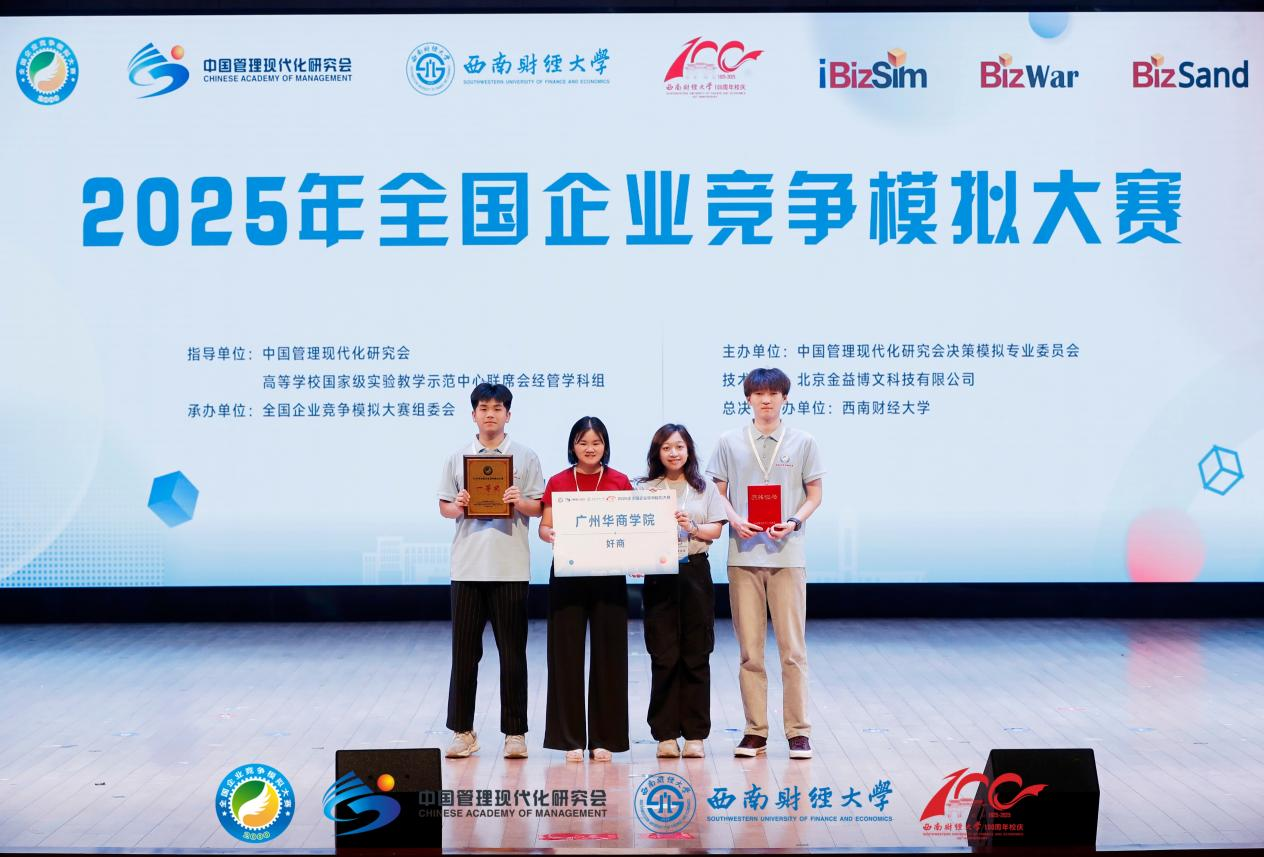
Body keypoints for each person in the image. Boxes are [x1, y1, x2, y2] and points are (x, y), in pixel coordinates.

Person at [706, 368, 824, 759]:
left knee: (793, 650)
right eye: (759, 394)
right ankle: (755, 730)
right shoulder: (729, 441)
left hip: (788, 556)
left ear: (785, 398)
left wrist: (794, 521)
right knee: (749, 653)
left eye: (774, 393)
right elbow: (716, 493)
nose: (766, 400)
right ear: (748, 399)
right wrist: (735, 520)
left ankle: (798, 732)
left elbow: (815, 494)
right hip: (743, 556)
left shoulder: (803, 441)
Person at [437, 383, 544, 760]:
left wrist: (520, 501)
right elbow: (444, 507)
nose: (490, 414)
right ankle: (462, 731)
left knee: (513, 654)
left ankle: (515, 733)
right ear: (473, 415)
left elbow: (539, 507)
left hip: (510, 567)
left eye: (497, 408)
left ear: (508, 415)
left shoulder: (525, 456)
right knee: (464, 655)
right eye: (483, 408)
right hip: (467, 567)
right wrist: (460, 505)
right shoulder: (458, 458)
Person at [538, 416, 633, 762]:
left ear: (605, 445)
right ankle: (570, 739)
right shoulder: (559, 481)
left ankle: (605, 738)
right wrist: (550, 534)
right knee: (565, 655)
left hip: (609, 575)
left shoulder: (620, 481)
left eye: (596, 442)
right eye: (583, 442)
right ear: (572, 446)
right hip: (568, 573)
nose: (590, 449)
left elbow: (633, 531)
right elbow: (544, 527)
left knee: (610, 655)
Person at [637, 424, 727, 759]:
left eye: (679, 446)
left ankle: (695, 735)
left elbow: (716, 530)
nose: (673, 453)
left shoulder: (705, 488)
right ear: (657, 453)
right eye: (666, 448)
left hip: (694, 571)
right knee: (663, 654)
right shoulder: (645, 489)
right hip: (659, 573)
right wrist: (635, 558)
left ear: (689, 450)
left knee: (696, 653)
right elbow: (636, 534)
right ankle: (665, 734)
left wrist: (693, 527)